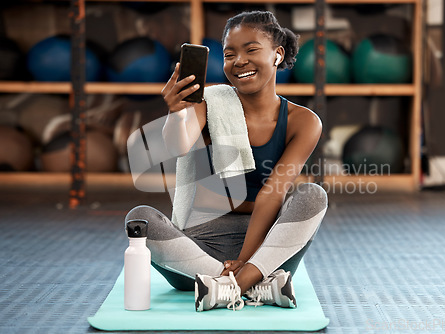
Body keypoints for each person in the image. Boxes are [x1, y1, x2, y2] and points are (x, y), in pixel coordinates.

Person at [125, 10, 328, 312]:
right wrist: (176, 110)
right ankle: (254, 286)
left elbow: (271, 195)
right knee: (139, 217)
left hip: (266, 251)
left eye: (251, 49)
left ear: (277, 54)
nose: (239, 61)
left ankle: (228, 286)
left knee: (314, 195)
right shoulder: (209, 101)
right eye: (230, 54)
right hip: (196, 254)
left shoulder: (304, 122)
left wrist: (247, 263)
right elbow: (177, 146)